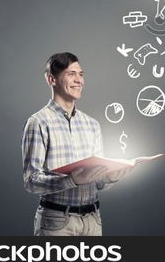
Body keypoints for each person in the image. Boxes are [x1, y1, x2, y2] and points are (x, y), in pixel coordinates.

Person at [21, 52, 132, 236]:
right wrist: (71, 180)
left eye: (81, 74)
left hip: (93, 221)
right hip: (57, 222)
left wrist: (112, 176)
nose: (79, 80)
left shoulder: (92, 125)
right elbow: (31, 181)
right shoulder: (38, 122)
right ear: (51, 79)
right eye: (71, 74)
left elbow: (98, 183)